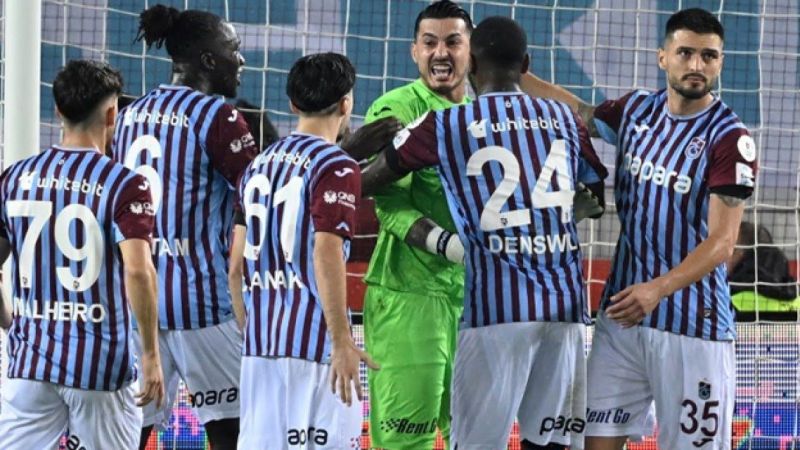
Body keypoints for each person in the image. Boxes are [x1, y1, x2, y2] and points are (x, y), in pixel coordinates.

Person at [362, 16, 608, 449]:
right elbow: (596, 191)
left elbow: (366, 184)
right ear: (526, 65)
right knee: (551, 442)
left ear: (471, 61)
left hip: (493, 308)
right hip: (563, 308)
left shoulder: (444, 125)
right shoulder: (566, 120)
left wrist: (339, 154)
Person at [524, 8, 757, 449]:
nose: (696, 64)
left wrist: (658, 289)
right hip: (622, 322)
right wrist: (516, 75)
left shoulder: (729, 138)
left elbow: (722, 243)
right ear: (662, 57)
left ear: (720, 63)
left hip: (693, 329)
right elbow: (579, 112)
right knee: (593, 441)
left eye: (709, 56)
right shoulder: (636, 111)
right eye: (685, 53)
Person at [112, 4, 257, 448]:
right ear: (209, 60)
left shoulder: (130, 114)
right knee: (232, 433)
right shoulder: (218, 117)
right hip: (203, 306)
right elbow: (258, 195)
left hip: (140, 306)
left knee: (131, 433)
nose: (241, 60)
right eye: (234, 49)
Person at [0, 59, 164, 449]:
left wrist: (10, 324)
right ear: (112, 114)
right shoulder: (125, 184)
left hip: (30, 363)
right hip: (98, 368)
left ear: (58, 110)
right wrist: (150, 354)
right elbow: (138, 270)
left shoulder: (14, 178)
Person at [235, 52, 378, 449]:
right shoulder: (337, 165)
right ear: (346, 104)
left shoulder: (256, 166)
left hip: (259, 353)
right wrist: (342, 341)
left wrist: (254, 331)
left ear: (293, 105)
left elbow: (234, 265)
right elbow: (326, 251)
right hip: (316, 350)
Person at [361, 2, 472, 447]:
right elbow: (389, 204)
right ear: (414, 51)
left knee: (476, 435)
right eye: (430, 43)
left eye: (452, 42)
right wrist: (450, 246)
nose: (440, 53)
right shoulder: (396, 109)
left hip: (472, 302)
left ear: (471, 50)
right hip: (408, 297)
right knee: (406, 442)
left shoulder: (483, 113)